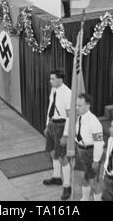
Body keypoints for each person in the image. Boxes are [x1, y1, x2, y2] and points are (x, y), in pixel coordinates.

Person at [43, 70, 72, 201]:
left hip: (61, 126)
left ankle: (67, 185)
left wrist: (65, 135)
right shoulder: (54, 90)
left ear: (60, 79)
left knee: (62, 156)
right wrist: (47, 124)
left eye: (53, 79)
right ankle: (56, 177)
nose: (50, 81)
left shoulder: (67, 93)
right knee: (51, 150)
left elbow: (70, 116)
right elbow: (51, 106)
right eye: (50, 79)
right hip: (52, 124)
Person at [76, 94, 104, 201]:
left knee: (94, 181)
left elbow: (99, 143)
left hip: (90, 153)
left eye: (80, 105)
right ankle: (85, 198)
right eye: (77, 105)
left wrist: (96, 160)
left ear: (88, 105)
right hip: (81, 150)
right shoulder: (80, 117)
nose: (77, 108)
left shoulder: (94, 122)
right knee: (84, 177)